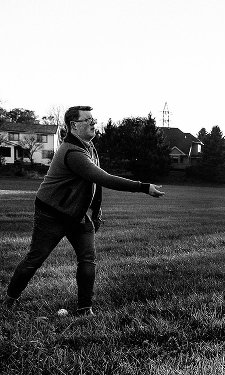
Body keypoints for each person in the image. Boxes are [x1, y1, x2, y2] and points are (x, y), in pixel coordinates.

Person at [3, 106, 165, 316]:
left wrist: (95, 213)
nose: (93, 123)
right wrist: (143, 187)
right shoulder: (72, 152)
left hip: (78, 214)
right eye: (87, 120)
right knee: (36, 258)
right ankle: (9, 301)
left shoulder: (89, 147)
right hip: (52, 213)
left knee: (87, 259)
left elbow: (94, 186)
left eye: (93, 119)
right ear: (73, 125)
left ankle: (85, 309)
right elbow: (103, 178)